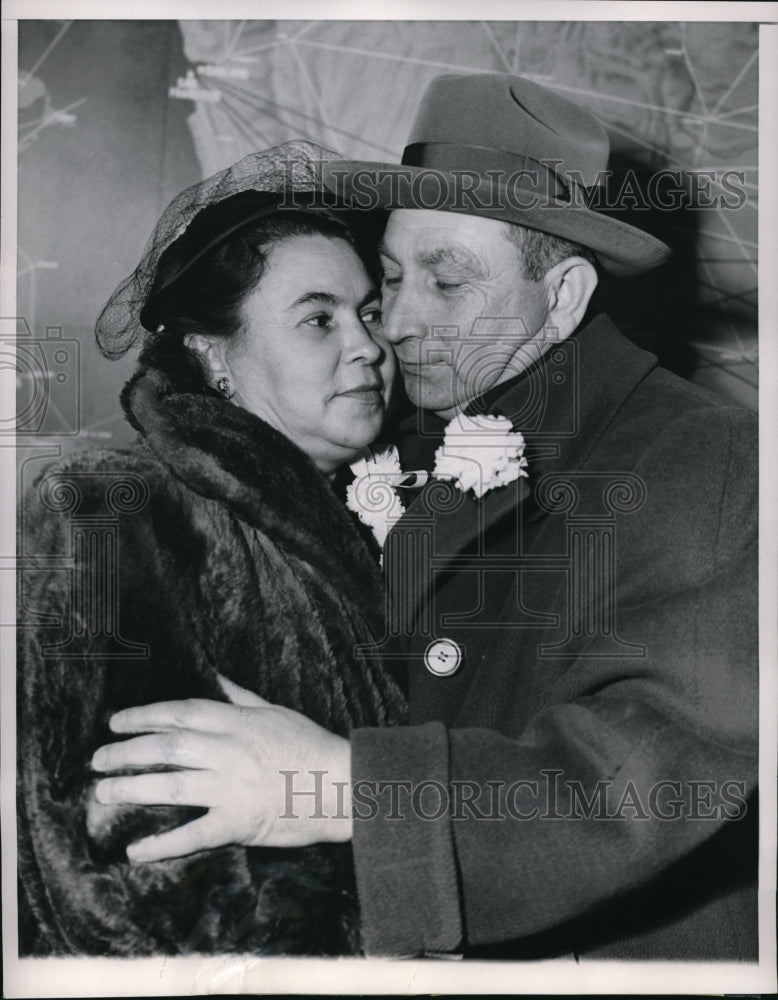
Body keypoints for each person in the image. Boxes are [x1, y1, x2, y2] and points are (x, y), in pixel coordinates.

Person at [90, 77, 758, 961]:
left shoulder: (709, 459)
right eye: (392, 280)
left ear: (561, 299)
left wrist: (338, 787)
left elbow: (648, 785)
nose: (395, 327)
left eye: (446, 282)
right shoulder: (390, 443)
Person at [16, 141, 405, 957]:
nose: (368, 345)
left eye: (370, 312)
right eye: (318, 318)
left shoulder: (388, 519)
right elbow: (116, 856)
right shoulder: (113, 509)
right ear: (212, 354)